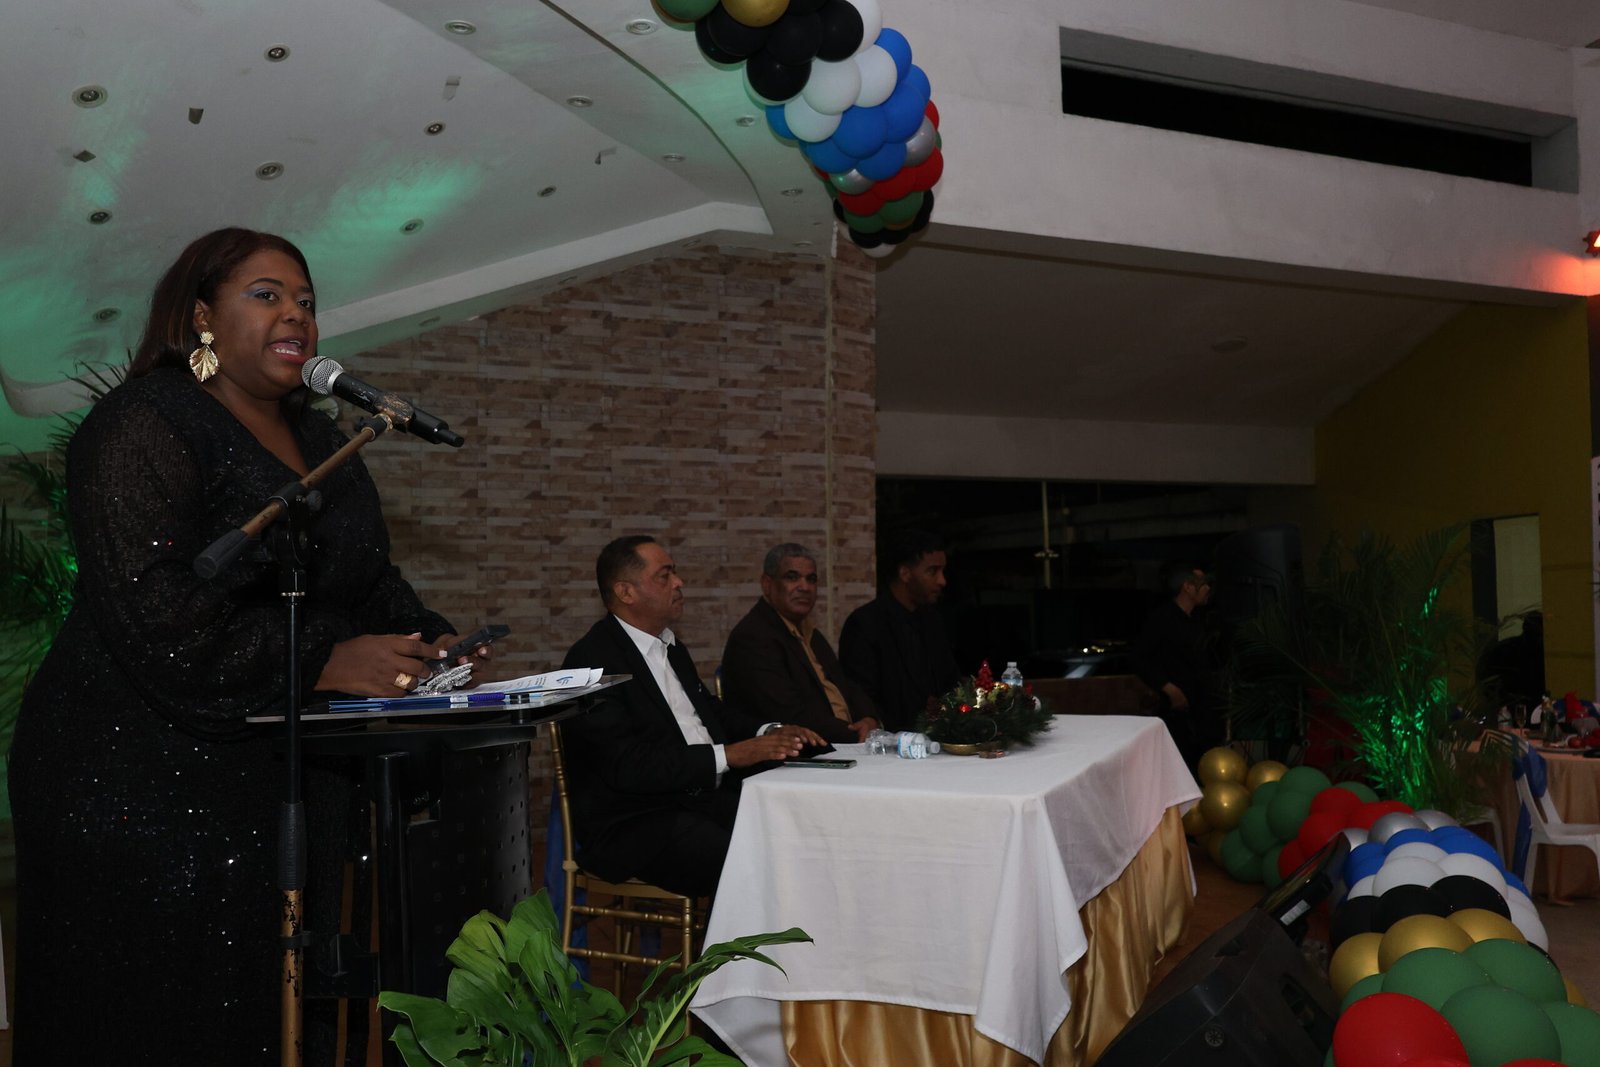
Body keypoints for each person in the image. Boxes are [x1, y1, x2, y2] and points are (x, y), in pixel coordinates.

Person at [8, 228, 484, 1064]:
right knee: (162, 1017)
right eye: (267, 295)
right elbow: (157, 610)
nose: (295, 313)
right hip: (135, 775)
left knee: (278, 1006)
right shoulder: (142, 422)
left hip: (278, 775)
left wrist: (431, 640)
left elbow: (363, 576)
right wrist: (324, 661)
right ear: (201, 316)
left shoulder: (327, 439)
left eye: (306, 300)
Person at [559, 536, 822, 898]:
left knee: (795, 830)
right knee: (747, 858)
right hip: (635, 821)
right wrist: (729, 755)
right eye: (664, 575)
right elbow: (628, 765)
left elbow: (710, 713)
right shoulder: (591, 662)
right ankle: (737, 938)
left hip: (696, 800)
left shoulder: (670, 646)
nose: (679, 582)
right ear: (625, 592)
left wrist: (770, 730)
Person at [721, 543, 881, 744]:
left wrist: (869, 719)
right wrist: (857, 735)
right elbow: (790, 717)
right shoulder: (753, 638)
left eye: (811, 579)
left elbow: (846, 685)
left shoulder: (810, 632)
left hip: (842, 743)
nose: (804, 587)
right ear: (767, 584)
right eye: (792, 577)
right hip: (797, 753)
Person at [838, 528, 960, 731]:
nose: (942, 580)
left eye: (942, 571)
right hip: (888, 741)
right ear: (905, 573)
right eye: (932, 571)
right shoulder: (865, 623)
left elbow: (950, 682)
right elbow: (860, 696)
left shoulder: (933, 621)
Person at [1133, 562, 1223, 770]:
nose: (1208, 588)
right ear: (1188, 587)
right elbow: (1139, 658)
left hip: (1202, 711)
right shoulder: (1161, 619)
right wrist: (1169, 688)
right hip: (1177, 713)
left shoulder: (1199, 620)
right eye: (1203, 584)